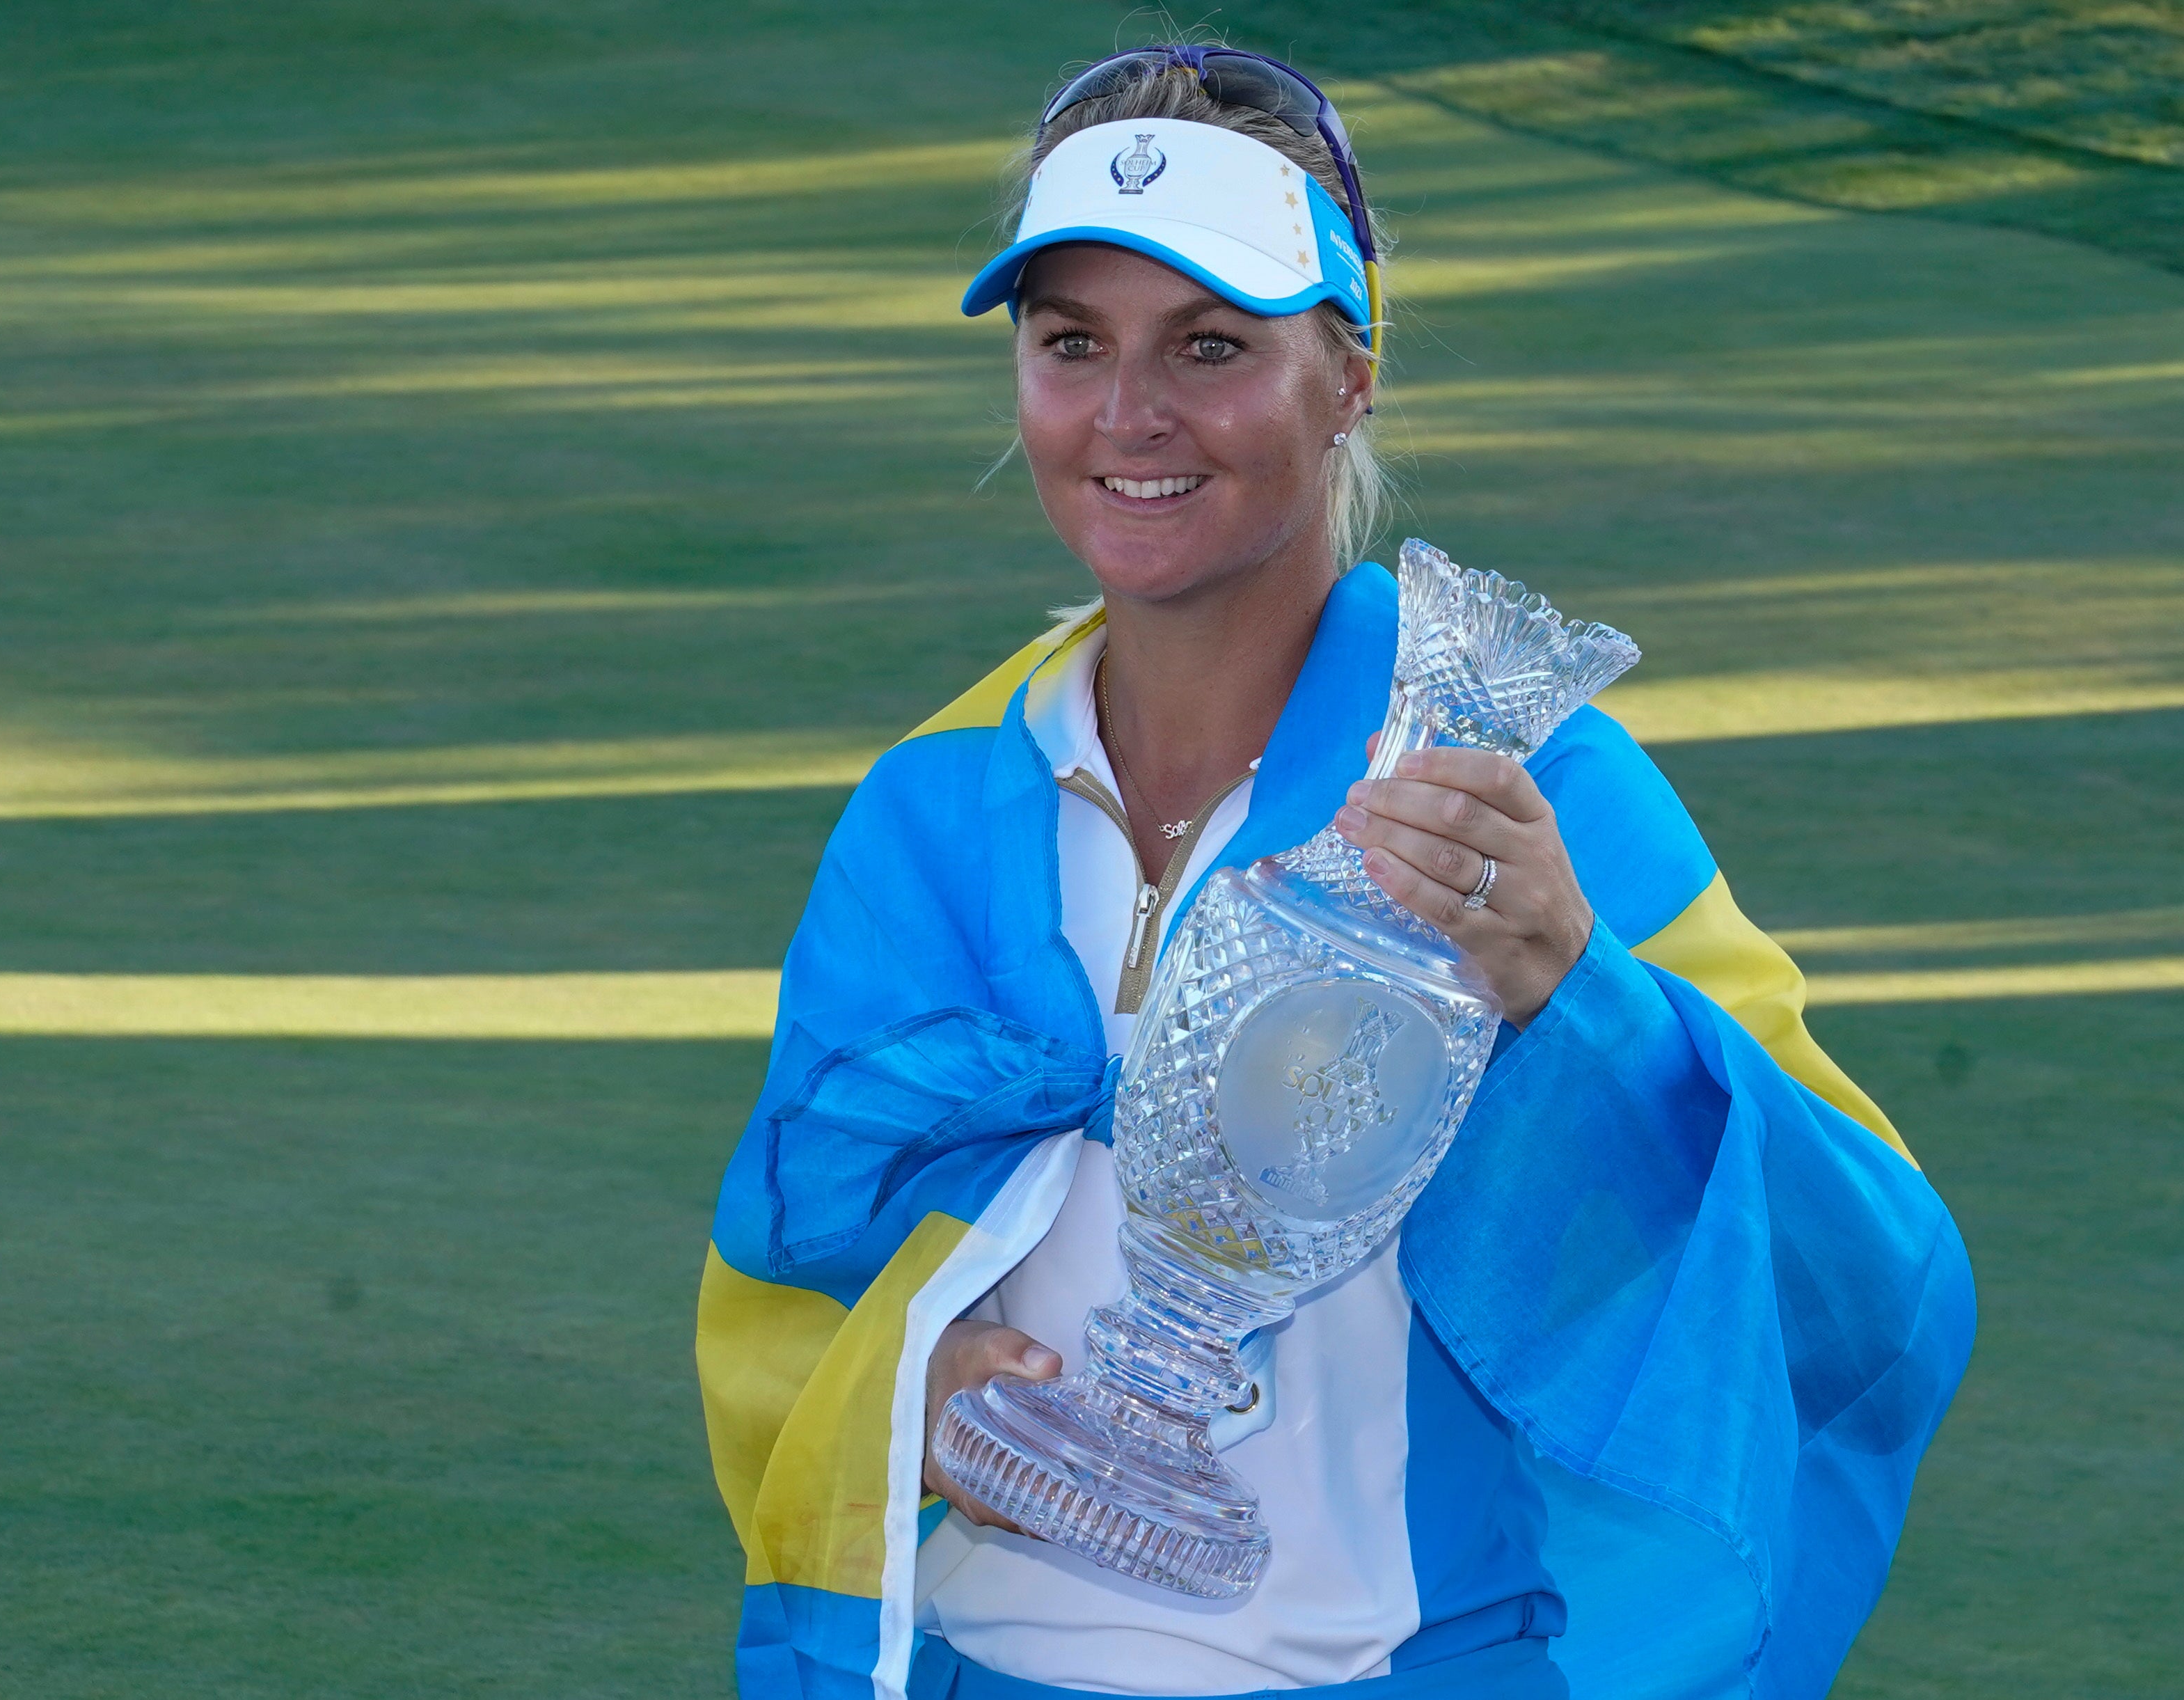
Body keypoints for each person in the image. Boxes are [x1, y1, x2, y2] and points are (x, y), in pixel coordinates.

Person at [697, 45, 1975, 1700]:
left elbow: (1861, 1290)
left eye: (1211, 347)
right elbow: (783, 1284)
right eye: (1067, 343)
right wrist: (908, 1394)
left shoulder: (1531, 794)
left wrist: (1576, 1002)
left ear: (1349, 372)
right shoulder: (929, 811)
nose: (1126, 417)